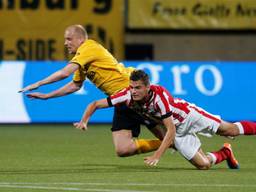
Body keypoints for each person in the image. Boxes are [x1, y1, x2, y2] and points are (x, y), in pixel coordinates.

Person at [19, 24, 165, 157]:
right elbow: (75, 85)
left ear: (81, 39)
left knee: (172, 127)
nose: (65, 43)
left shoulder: (88, 47)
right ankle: (166, 143)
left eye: (69, 39)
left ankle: (171, 140)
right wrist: (47, 96)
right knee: (123, 149)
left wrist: (39, 83)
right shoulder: (82, 59)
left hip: (132, 94)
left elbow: (65, 73)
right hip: (120, 100)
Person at [74, 69, 256, 170]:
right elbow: (95, 104)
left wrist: (157, 155)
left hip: (188, 117)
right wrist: (84, 120)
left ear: (147, 87)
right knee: (204, 165)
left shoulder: (159, 96)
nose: (133, 91)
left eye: (137, 88)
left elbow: (170, 130)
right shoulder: (126, 96)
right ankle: (225, 153)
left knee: (229, 130)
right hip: (175, 130)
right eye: (131, 87)